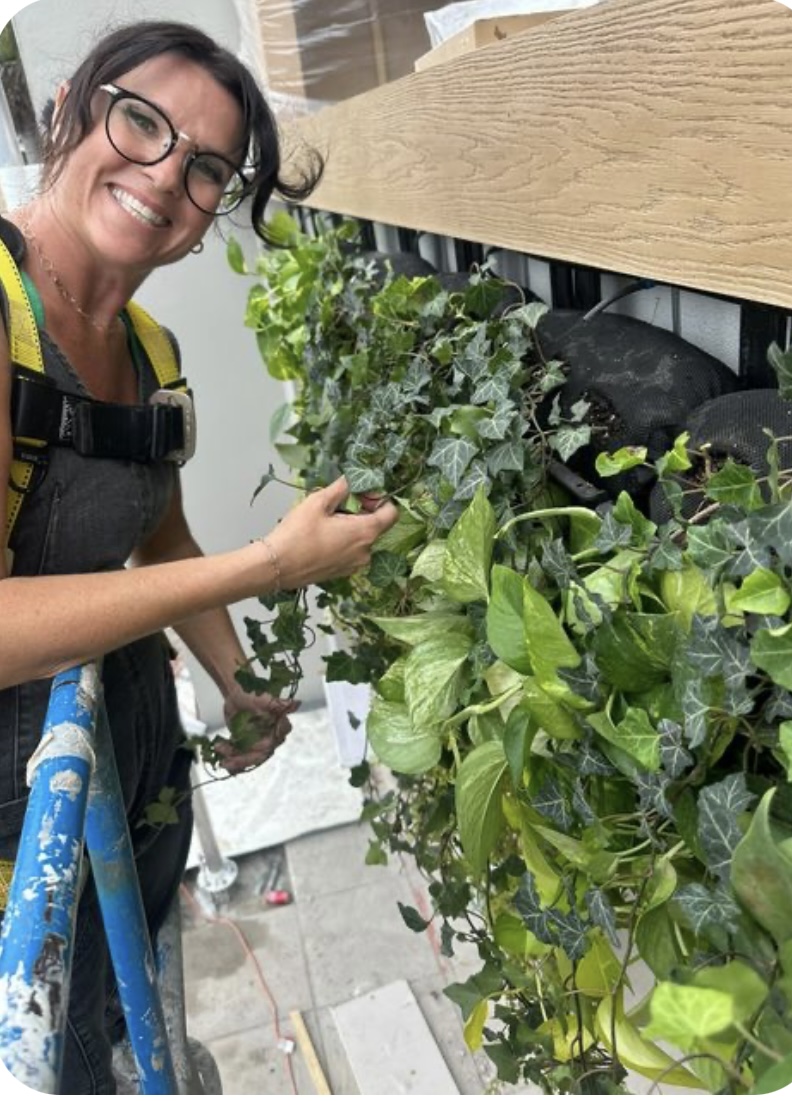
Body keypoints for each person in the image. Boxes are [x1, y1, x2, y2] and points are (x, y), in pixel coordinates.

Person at [0, 19, 397, 1094]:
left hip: (130, 759)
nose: (164, 175)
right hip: (19, 832)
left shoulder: (152, 353)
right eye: (141, 122)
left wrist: (233, 680)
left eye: (205, 167)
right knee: (65, 1038)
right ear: (73, 105)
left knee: (138, 979)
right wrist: (269, 566)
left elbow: (160, 539)